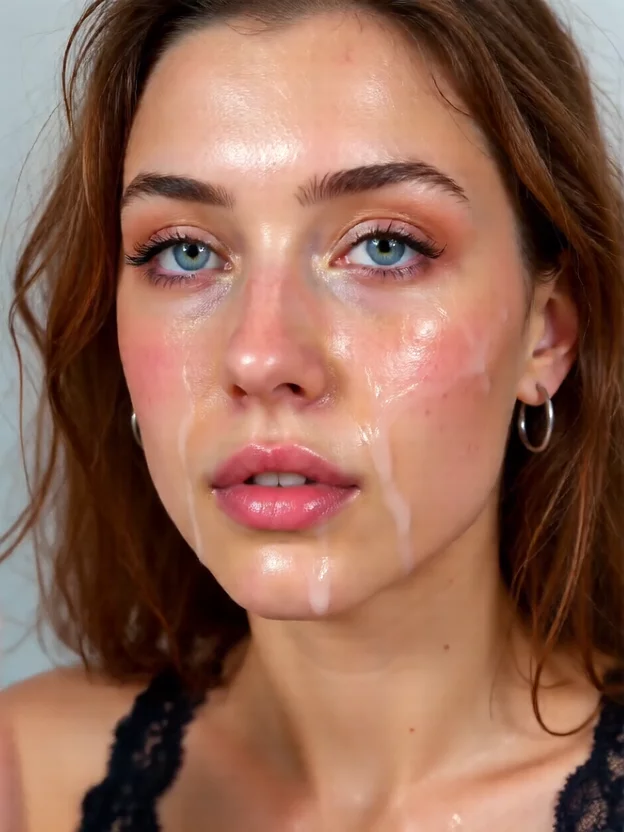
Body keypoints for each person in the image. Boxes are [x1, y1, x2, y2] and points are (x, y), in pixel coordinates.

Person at [2, 0, 624, 828]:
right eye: (186, 252)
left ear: (545, 336)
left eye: (384, 247)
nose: (259, 359)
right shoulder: (22, 779)